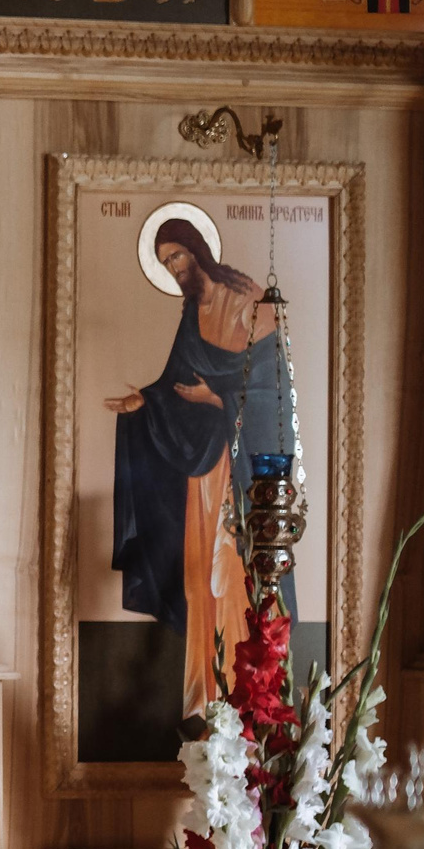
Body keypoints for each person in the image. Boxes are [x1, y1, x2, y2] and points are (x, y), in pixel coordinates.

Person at [107, 218, 273, 715]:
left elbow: (273, 394)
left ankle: (241, 696)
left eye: (178, 257)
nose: (176, 269)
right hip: (201, 470)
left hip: (239, 471)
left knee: (231, 572)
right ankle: (204, 697)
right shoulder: (190, 315)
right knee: (200, 578)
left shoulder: (250, 302)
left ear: (198, 251)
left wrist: (218, 398)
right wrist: (145, 403)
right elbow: (173, 384)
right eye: (166, 264)